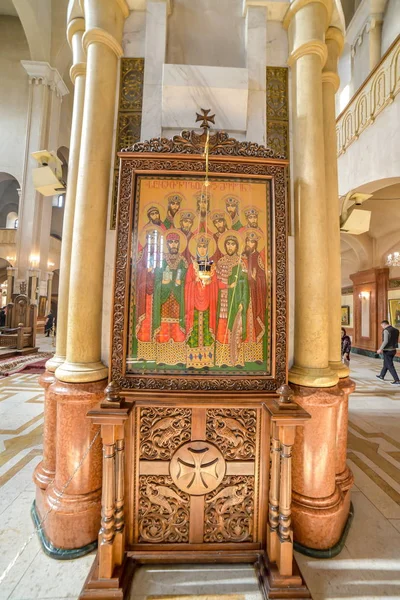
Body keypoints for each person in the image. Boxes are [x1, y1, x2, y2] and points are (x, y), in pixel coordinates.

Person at [376, 320, 400, 384]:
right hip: (393, 349)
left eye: (382, 326)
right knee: (386, 363)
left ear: (384, 324)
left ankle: (397, 380)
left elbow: (385, 341)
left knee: (390, 365)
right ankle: (381, 375)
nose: (382, 327)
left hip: (388, 350)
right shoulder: (396, 330)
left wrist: (380, 349)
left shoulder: (386, 330)